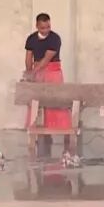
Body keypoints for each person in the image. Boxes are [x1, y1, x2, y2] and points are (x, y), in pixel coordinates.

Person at [23, 13, 74, 160]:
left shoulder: (55, 38)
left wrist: (33, 72)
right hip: (37, 71)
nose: (46, 30)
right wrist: (28, 73)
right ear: (37, 26)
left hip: (53, 71)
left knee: (56, 102)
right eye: (42, 28)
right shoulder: (31, 38)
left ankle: (64, 133)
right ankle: (40, 132)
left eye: (48, 27)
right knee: (37, 103)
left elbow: (46, 59)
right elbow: (28, 57)